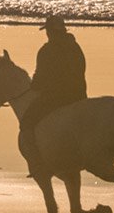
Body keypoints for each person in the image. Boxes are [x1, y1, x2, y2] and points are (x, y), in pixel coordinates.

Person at [20, 14, 87, 153]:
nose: (47, 33)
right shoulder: (75, 47)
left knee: (27, 121)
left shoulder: (46, 51)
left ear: (50, 32)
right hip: (79, 94)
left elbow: (39, 79)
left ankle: (37, 162)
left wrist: (35, 86)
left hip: (57, 98)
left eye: (48, 30)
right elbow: (81, 69)